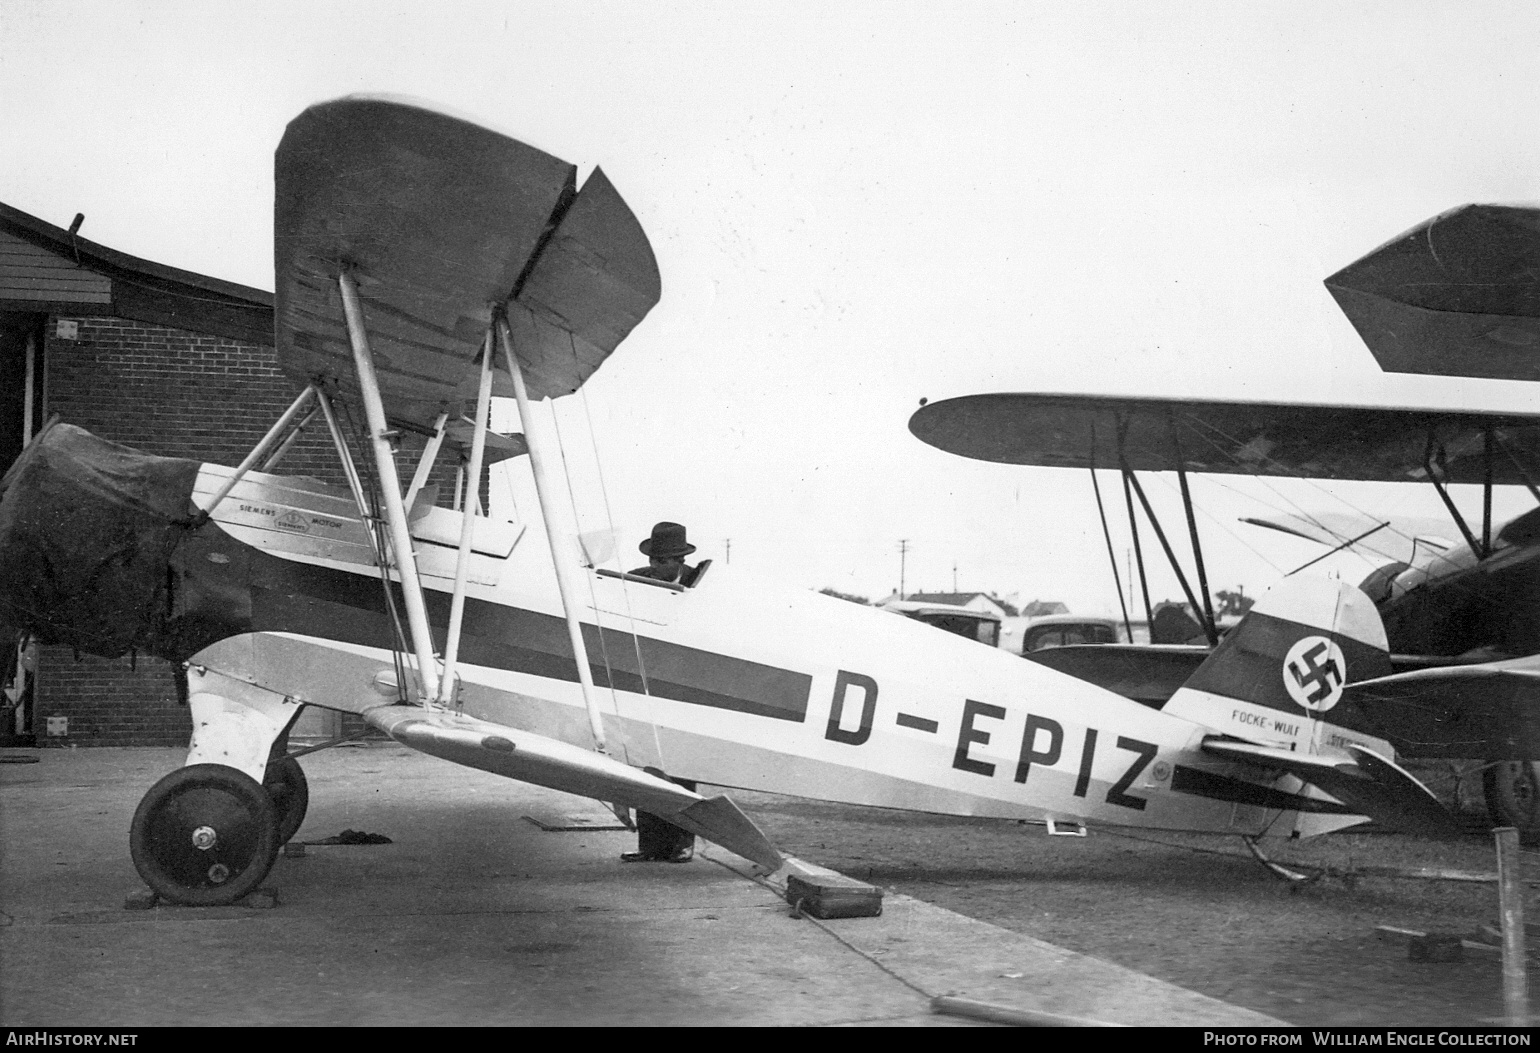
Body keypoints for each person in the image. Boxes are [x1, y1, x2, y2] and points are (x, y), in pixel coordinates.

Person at [621, 522, 699, 863]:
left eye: (664, 562)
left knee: (682, 770)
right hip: (647, 687)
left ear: (680, 560)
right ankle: (650, 846)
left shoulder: (700, 584)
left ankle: (682, 844)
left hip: (685, 688)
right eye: (654, 560)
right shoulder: (636, 578)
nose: (656, 567)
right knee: (646, 767)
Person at [629, 521, 696, 585]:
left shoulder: (698, 584)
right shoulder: (634, 580)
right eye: (651, 559)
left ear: (680, 561)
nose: (653, 565)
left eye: (661, 561)